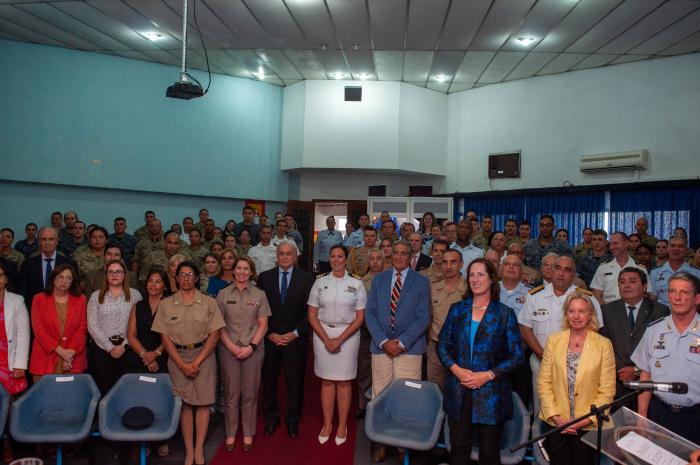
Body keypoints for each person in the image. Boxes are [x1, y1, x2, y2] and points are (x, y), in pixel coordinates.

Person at [438, 258, 524, 465]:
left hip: (491, 395)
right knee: (458, 451)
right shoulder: (457, 309)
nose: (475, 279)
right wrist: (457, 370)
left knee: (489, 454)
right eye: (471, 275)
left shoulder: (505, 314)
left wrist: (487, 375)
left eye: (480, 274)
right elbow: (442, 345)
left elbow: (517, 355)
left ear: (492, 279)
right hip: (459, 391)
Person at [152, 261, 224, 465]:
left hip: (204, 356)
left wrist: (197, 361)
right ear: (176, 278)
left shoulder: (209, 302)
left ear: (197, 278)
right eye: (182, 275)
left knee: (202, 404)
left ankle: (199, 449)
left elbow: (215, 334)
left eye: (190, 274)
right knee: (184, 405)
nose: (185, 278)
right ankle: (189, 451)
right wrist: (183, 365)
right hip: (177, 358)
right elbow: (164, 338)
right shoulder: (166, 304)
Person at [364, 240, 430, 463]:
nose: (400, 257)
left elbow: (423, 317)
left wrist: (401, 343)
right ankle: (381, 443)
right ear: (390, 255)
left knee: (406, 398)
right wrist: (384, 341)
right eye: (396, 253)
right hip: (381, 347)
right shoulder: (379, 280)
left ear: (411, 257)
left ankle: (403, 447)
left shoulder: (421, 282)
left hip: (408, 349)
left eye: (404, 254)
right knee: (381, 396)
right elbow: (370, 314)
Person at [518, 255, 603, 416]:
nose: (561, 274)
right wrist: (545, 356)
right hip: (541, 363)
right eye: (557, 268)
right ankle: (539, 442)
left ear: (574, 275)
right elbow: (525, 328)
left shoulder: (586, 298)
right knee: (542, 413)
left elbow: (595, 331)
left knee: (574, 413)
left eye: (567, 270)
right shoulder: (535, 296)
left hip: (576, 367)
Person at [538, 291, 616, 465]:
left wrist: (583, 421)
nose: (576, 316)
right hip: (558, 423)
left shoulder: (603, 344)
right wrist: (557, 418)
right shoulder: (554, 341)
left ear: (590, 315)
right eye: (571, 311)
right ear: (566, 314)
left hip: (588, 425)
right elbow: (544, 382)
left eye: (581, 311)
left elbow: (607, 390)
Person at [631, 272, 700, 445]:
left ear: (697, 298)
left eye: (684, 292)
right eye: (672, 291)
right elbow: (645, 376)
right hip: (660, 413)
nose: (677, 297)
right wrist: (641, 417)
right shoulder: (654, 330)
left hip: (695, 417)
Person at [308, 245, 366, 446]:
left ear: (346, 259)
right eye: (332, 256)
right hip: (322, 332)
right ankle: (327, 424)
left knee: (343, 381)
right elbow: (311, 315)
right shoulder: (319, 282)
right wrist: (327, 339)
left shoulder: (356, 284)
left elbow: (360, 318)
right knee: (326, 381)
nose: (336, 259)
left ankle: (342, 425)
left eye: (340, 256)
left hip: (348, 335)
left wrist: (339, 340)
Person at [257, 242, 315, 438]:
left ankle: (293, 421)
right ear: (276, 256)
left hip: (295, 340)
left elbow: (311, 312)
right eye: (281, 254)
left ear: (295, 256)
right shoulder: (264, 278)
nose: (284, 257)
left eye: (288, 254)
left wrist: (296, 333)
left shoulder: (308, 279)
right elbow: (260, 310)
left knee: (295, 382)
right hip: (271, 339)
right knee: (269, 382)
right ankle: (271, 419)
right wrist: (269, 333)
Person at [217, 255, 270, 453]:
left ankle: (248, 432)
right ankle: (231, 432)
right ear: (233, 270)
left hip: (253, 350)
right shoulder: (222, 294)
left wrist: (251, 347)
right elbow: (219, 325)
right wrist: (231, 347)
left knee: (250, 393)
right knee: (231, 394)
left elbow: (263, 324)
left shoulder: (259, 294)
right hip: (229, 348)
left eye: (246, 269)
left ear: (251, 271)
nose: (241, 272)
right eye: (238, 268)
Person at [599, 267, 669, 410]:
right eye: (622, 282)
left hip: (647, 386)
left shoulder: (660, 311)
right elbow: (603, 346)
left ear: (644, 287)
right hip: (615, 385)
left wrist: (637, 370)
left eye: (632, 281)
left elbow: (662, 351)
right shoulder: (607, 310)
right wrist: (621, 371)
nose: (626, 285)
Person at [87, 260, 142, 394]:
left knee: (126, 391)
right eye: (111, 272)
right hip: (102, 350)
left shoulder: (135, 295)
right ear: (106, 275)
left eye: (118, 272)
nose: (114, 275)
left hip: (127, 349)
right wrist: (110, 347)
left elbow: (138, 324)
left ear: (124, 275)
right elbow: (92, 325)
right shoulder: (96, 296)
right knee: (103, 390)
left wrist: (123, 346)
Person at [29, 263, 87, 379]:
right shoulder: (39, 299)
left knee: (71, 396)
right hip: (45, 359)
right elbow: (39, 331)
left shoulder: (81, 299)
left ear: (72, 282)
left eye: (68, 278)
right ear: (53, 279)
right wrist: (61, 351)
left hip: (72, 360)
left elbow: (82, 329)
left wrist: (69, 354)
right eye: (60, 277)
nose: (64, 281)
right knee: (44, 396)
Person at [0, 262, 29, 461]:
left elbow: (23, 334)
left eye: (0, 275)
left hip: (8, 361)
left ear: (6, 278)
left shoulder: (16, 300)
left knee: (7, 406)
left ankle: (7, 444)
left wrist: (20, 363)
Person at [427, 249, 465, 389]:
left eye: (453, 262)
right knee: (433, 391)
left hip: (460, 350)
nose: (448, 266)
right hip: (435, 348)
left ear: (461, 264)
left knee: (458, 391)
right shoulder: (433, 287)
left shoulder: (469, 290)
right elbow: (429, 318)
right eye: (445, 262)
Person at [356, 248, 383, 419]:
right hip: (365, 331)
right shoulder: (360, 282)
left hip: (385, 331)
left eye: (378, 258)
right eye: (371, 258)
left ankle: (381, 403)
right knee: (364, 369)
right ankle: (362, 405)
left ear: (383, 260)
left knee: (382, 370)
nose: (374, 261)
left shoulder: (390, 279)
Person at [590, 232, 650, 305]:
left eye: (615, 243)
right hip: (609, 310)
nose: (612, 247)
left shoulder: (640, 268)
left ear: (626, 244)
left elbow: (646, 294)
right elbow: (597, 294)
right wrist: (604, 311)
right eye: (610, 244)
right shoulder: (603, 268)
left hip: (633, 311)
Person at [19, 226, 73, 308]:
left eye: (51, 239)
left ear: (57, 241)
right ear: (39, 242)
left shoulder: (69, 263)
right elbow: (23, 292)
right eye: (43, 239)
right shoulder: (27, 265)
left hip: (63, 309)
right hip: (36, 310)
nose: (47, 242)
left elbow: (74, 290)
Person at [650, 235, 700, 306]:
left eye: (680, 246)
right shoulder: (655, 272)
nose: (676, 249)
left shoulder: (697, 273)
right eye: (672, 246)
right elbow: (652, 299)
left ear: (686, 250)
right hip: (662, 316)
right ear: (667, 249)